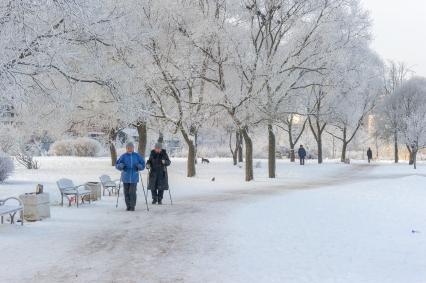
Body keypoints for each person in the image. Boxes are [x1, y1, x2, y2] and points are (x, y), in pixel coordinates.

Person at [115, 142, 145, 211]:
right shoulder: (123, 156)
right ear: (126, 149)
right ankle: (128, 206)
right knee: (126, 193)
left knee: (132, 192)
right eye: (128, 148)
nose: (130, 149)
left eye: (131, 148)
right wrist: (120, 166)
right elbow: (117, 164)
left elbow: (143, 164)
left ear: (133, 148)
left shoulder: (137, 156)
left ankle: (132, 206)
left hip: (134, 177)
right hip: (125, 177)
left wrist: (140, 166)